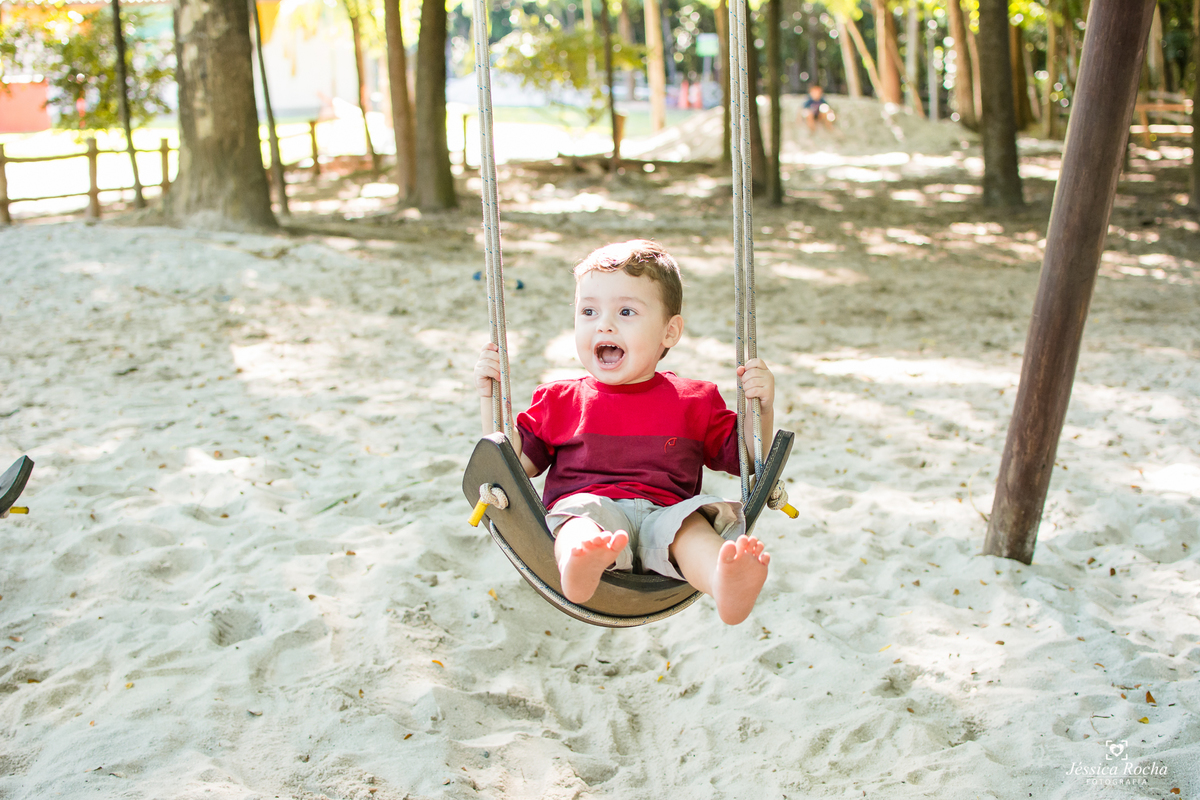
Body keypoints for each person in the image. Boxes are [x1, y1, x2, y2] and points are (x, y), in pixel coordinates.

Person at [474, 240, 775, 625]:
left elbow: (750, 459)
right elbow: (509, 467)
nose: (604, 324)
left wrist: (761, 408)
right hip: (591, 508)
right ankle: (581, 563)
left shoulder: (695, 400)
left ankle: (724, 580)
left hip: (667, 514)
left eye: (626, 311)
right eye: (588, 311)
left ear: (670, 332)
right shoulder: (560, 400)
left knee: (691, 528)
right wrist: (490, 400)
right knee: (578, 522)